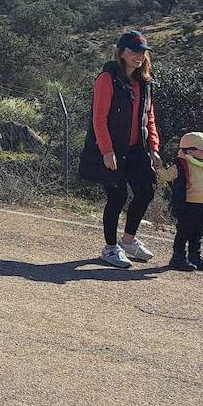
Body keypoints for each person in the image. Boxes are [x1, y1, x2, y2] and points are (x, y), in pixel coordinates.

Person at [78, 29, 161, 268]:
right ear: (121, 53)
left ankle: (128, 240)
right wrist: (107, 151)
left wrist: (154, 148)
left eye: (143, 52)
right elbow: (99, 119)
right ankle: (110, 248)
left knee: (146, 190)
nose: (139, 56)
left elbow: (150, 117)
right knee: (117, 195)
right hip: (113, 149)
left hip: (137, 149)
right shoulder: (107, 79)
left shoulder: (144, 82)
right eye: (134, 51)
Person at [158, 131, 203, 272]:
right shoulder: (181, 165)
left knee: (198, 232)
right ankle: (178, 257)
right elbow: (167, 176)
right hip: (187, 205)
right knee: (183, 231)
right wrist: (157, 168)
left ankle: (194, 256)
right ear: (190, 151)